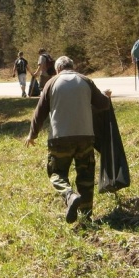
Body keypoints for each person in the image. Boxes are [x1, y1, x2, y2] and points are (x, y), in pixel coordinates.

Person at [25, 56, 112, 223]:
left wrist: (32, 134)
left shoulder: (51, 83)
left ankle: (69, 195)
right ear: (74, 66)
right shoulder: (86, 81)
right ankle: (86, 217)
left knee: (57, 173)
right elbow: (102, 105)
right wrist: (106, 96)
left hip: (60, 139)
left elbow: (40, 112)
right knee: (86, 177)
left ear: (58, 69)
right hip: (85, 138)